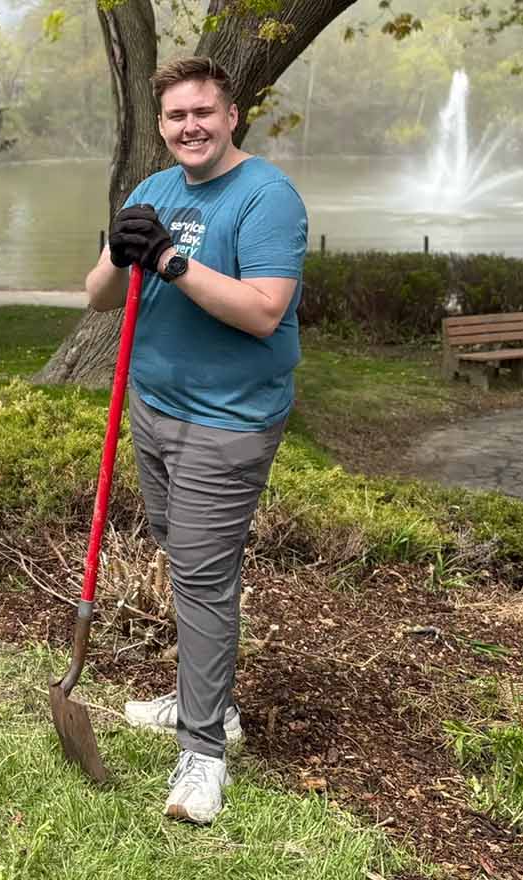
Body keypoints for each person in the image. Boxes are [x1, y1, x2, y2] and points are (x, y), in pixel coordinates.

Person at [83, 56, 308, 825]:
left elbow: (263, 312)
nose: (190, 127)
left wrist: (173, 262)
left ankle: (204, 752)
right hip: (154, 406)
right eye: (176, 117)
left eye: (203, 113)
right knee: (188, 566)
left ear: (232, 114)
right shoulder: (152, 191)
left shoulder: (267, 197)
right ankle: (205, 700)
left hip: (228, 420)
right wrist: (122, 251)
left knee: (202, 580)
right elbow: (99, 297)